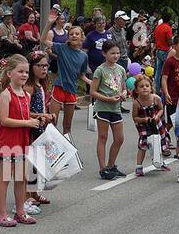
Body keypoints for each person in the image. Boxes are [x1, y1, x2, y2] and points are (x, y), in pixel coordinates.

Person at [0, 54, 43, 227]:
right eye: (20, 71)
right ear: (9, 74)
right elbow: (4, 120)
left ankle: (20, 211)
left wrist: (38, 118)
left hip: (22, 140)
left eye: (26, 72)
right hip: (8, 142)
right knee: (5, 178)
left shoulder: (26, 95)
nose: (24, 75)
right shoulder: (6, 95)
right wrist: (28, 122)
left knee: (21, 178)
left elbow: (24, 115)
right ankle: (1, 214)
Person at [89, 39, 127, 179]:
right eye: (112, 53)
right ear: (104, 53)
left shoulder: (121, 69)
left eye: (117, 53)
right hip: (103, 107)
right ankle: (103, 168)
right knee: (103, 137)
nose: (116, 56)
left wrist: (124, 94)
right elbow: (93, 92)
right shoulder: (100, 70)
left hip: (116, 108)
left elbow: (124, 88)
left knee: (119, 138)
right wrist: (107, 99)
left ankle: (111, 166)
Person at [23, 51, 53, 212]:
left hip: (41, 126)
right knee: (30, 163)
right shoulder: (29, 86)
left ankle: (34, 192)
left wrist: (48, 115)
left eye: (46, 65)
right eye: (40, 66)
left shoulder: (41, 84)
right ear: (31, 67)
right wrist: (42, 115)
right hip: (31, 127)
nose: (44, 69)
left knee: (37, 163)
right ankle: (27, 194)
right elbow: (24, 110)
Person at [49, 24, 90, 137]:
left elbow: (81, 75)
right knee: (52, 122)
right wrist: (49, 23)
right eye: (71, 34)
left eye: (77, 34)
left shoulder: (84, 56)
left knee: (67, 127)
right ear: (68, 37)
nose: (74, 36)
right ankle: (50, 150)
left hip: (72, 90)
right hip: (59, 87)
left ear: (82, 37)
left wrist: (92, 82)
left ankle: (67, 151)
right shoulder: (62, 48)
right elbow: (43, 40)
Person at [131, 74, 168, 176]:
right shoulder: (136, 102)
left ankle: (160, 162)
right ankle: (139, 166)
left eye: (147, 86)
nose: (144, 88)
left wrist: (157, 115)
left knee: (158, 143)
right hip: (144, 126)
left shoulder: (156, 98)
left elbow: (161, 109)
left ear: (151, 87)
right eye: (141, 86)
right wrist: (143, 119)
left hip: (156, 124)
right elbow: (134, 117)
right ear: (137, 90)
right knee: (143, 146)